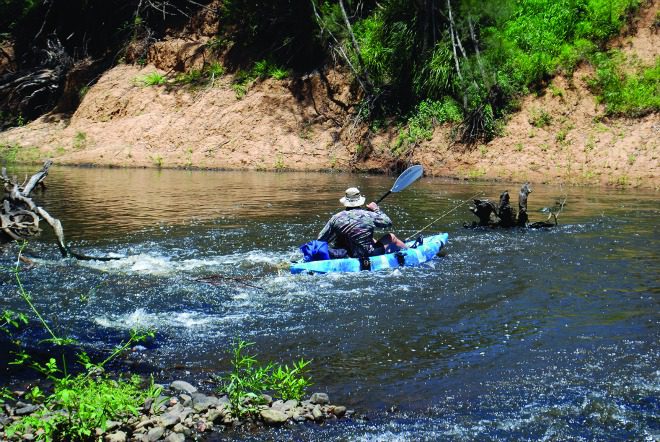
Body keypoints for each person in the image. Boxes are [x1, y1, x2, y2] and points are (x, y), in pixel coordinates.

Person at [318, 187, 407, 259]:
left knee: (371, 239)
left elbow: (321, 239)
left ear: (346, 201)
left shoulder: (336, 217)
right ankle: (409, 252)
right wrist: (376, 209)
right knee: (391, 237)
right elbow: (388, 222)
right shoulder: (369, 215)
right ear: (359, 201)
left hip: (345, 254)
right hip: (367, 254)